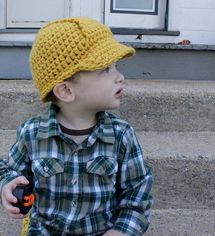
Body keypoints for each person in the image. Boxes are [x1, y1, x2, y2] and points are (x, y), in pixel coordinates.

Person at [0, 17, 153, 236]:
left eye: (116, 67)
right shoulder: (33, 134)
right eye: (106, 69)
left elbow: (138, 194)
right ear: (66, 91)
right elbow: (7, 169)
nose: (120, 77)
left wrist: (121, 231)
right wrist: (8, 184)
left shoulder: (121, 135)